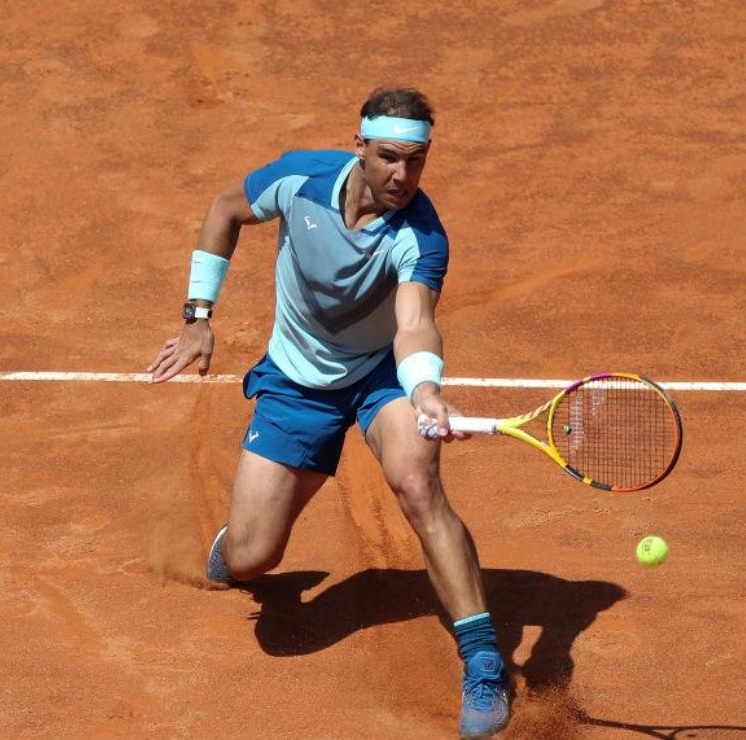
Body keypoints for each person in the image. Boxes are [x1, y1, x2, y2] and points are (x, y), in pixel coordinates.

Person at [147, 87, 511, 737]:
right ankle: (238, 541)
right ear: (360, 147)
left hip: (380, 376)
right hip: (296, 378)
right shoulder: (300, 180)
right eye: (390, 157)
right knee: (251, 560)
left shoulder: (421, 236)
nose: (404, 175)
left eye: (418, 160)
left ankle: (482, 659)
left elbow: (415, 324)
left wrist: (424, 389)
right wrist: (198, 318)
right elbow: (226, 209)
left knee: (419, 483)